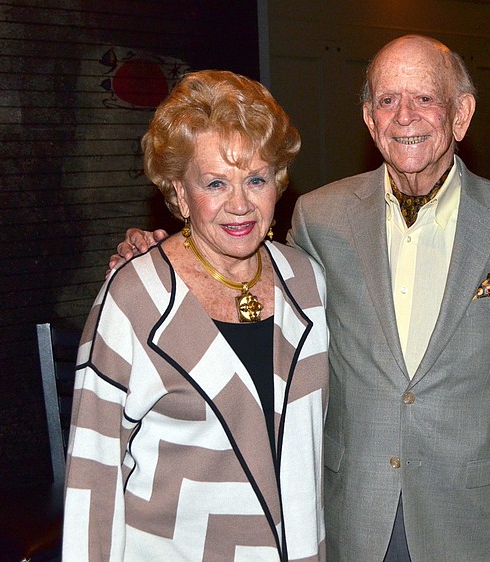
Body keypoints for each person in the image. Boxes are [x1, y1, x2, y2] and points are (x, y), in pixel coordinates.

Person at [114, 35, 490, 561]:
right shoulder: (321, 220)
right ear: (369, 120)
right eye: (387, 100)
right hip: (352, 515)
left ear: (461, 115)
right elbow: (249, 280)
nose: (405, 116)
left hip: (472, 520)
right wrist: (173, 252)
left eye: (425, 98)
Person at [64, 70, 329, 561]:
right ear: (181, 194)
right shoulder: (134, 298)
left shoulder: (307, 282)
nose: (240, 205)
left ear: (278, 183)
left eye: (256, 179)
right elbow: (92, 476)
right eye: (215, 183)